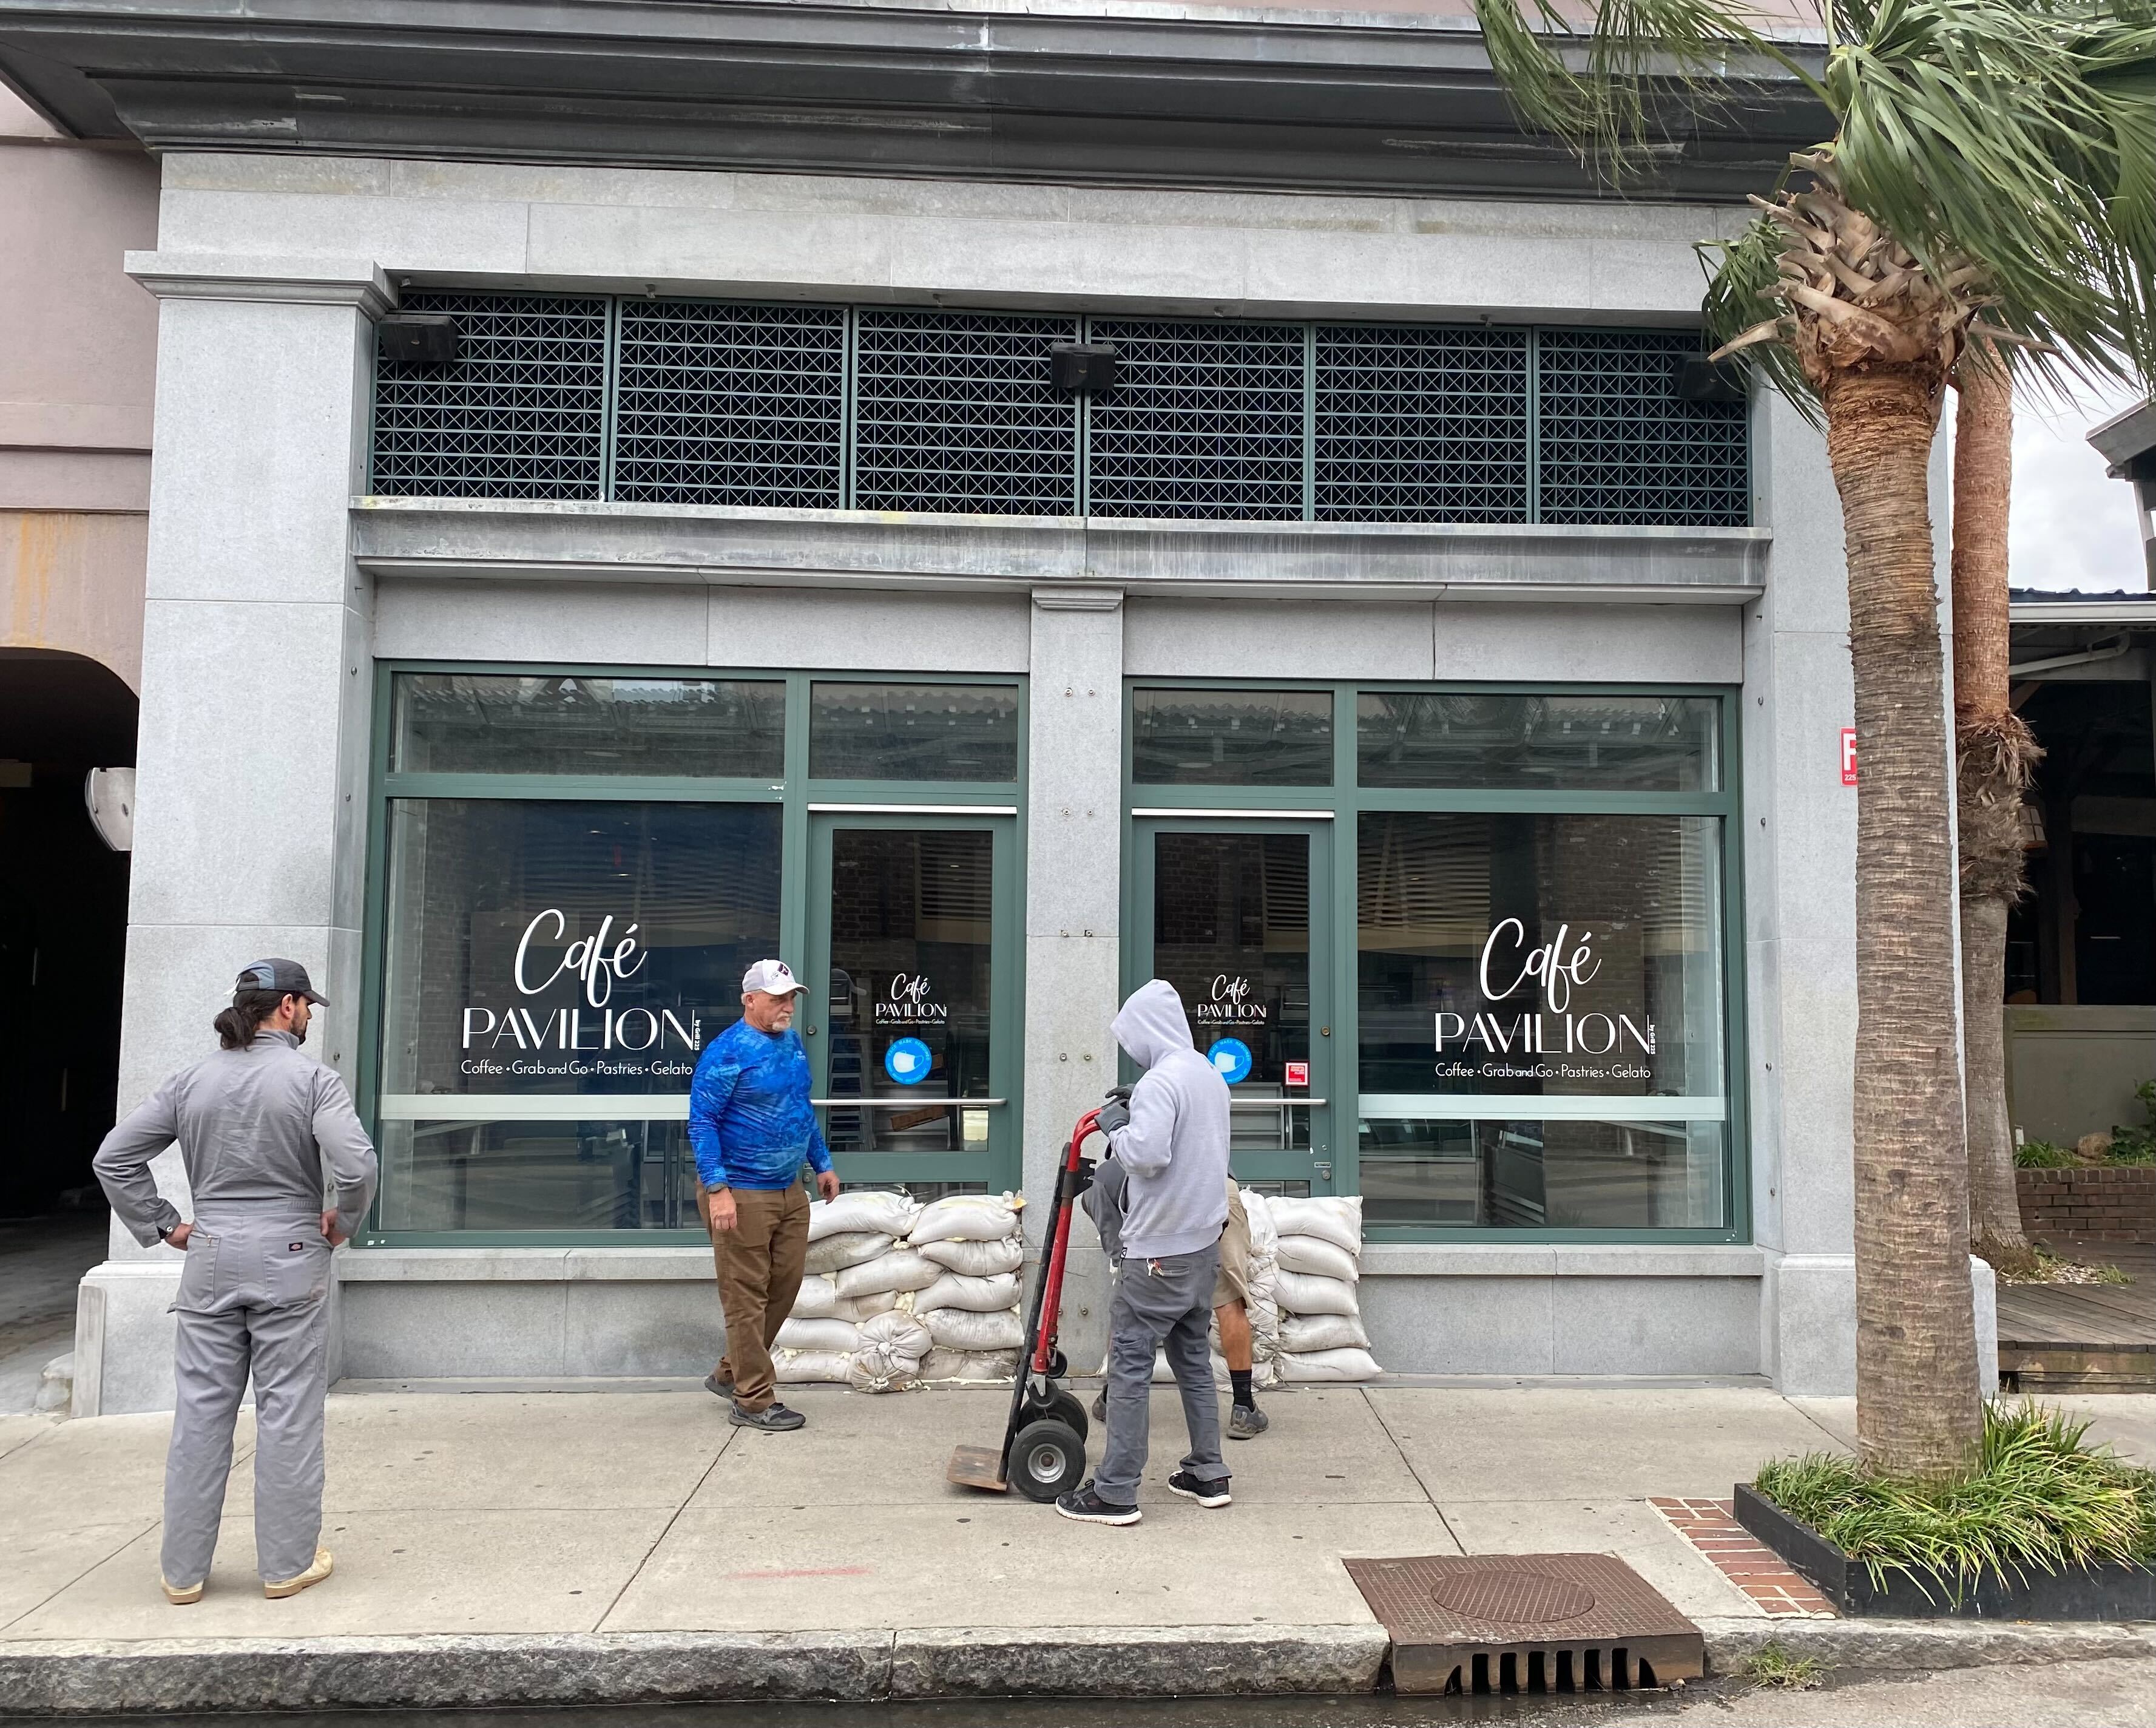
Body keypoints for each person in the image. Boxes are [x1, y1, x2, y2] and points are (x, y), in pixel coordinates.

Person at [93, 960, 377, 1605]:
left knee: (199, 1415)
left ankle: (183, 1572)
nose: (309, 1016)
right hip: (292, 1253)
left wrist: (165, 1225)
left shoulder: (191, 1080)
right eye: (307, 1006)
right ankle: (286, 1565)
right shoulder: (312, 1080)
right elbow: (357, 1167)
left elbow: (113, 1157)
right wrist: (343, 1226)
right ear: (287, 1006)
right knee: (288, 1415)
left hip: (212, 1256)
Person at [1057, 979, 1231, 1526]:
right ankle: (1208, 1472)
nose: (1131, 1050)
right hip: (1201, 1246)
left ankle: (1115, 1491)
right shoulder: (1206, 1074)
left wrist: (1119, 1124)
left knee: (1130, 1369)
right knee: (1193, 1362)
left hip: (1157, 1251)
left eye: (1132, 1038)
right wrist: (1141, 1109)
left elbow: (1148, 1156)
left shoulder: (1161, 1082)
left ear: (1148, 1031)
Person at [689, 958, 840, 1432]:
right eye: (777, 998)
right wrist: (717, 1189)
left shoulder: (790, 1043)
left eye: (792, 996)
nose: (787, 1006)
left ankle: (731, 1372)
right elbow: (702, 1121)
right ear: (749, 999)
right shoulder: (727, 1051)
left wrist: (822, 1161)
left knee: (784, 1287)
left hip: (787, 1187)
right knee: (745, 1297)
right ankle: (752, 1400)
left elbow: (799, 1108)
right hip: (740, 1191)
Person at [1086, 1168, 1269, 1440]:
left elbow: (1101, 1204)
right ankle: (1243, 1407)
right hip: (1215, 1191)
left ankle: (1113, 1394)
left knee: (1129, 1300)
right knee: (1229, 1302)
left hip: (1167, 1204)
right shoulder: (1196, 1130)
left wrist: (1124, 1264)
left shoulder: (1111, 1170)